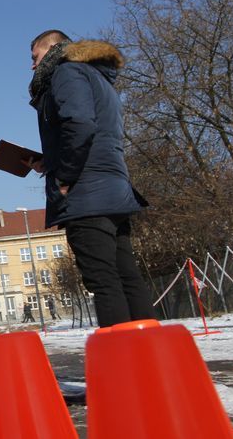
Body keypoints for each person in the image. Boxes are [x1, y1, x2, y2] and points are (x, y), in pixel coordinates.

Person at [26, 30, 156, 328]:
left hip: (87, 194)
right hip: (113, 189)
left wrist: (65, 176)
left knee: (103, 279)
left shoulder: (66, 72)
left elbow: (81, 123)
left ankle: (122, 362)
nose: (33, 66)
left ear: (55, 48)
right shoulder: (97, 77)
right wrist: (49, 162)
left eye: (35, 57)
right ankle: (149, 358)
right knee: (127, 275)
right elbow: (93, 131)